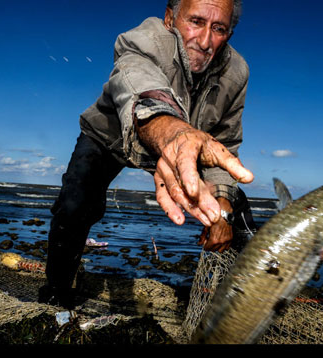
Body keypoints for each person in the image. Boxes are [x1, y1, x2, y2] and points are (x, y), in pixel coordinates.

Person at [39, 0, 258, 309]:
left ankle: (229, 310)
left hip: (183, 149)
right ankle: (56, 290)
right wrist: (170, 130)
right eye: (195, 21)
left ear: (230, 33)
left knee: (234, 212)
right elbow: (137, 79)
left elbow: (225, 141)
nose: (206, 41)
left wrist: (222, 209)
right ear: (170, 17)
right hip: (110, 138)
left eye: (218, 28)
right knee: (75, 205)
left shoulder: (237, 72)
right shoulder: (144, 38)